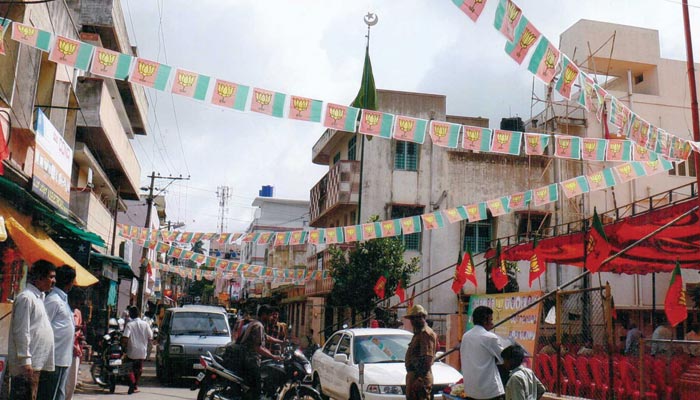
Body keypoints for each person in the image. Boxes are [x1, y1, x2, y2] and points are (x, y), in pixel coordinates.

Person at [8, 260, 57, 400]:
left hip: (37, 365)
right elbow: (22, 332)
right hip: (27, 367)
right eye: (51, 277)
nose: (54, 281)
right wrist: (26, 361)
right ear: (39, 278)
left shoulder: (39, 298)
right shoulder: (26, 298)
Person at [38, 266, 76, 400]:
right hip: (54, 357)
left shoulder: (63, 300)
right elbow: (42, 326)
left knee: (59, 394)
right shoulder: (53, 300)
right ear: (69, 282)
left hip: (63, 357)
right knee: (50, 394)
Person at [235, 305, 284, 400]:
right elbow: (258, 348)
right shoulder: (258, 326)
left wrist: (281, 342)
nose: (271, 318)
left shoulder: (256, 323)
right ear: (264, 315)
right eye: (270, 315)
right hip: (250, 360)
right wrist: (273, 356)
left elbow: (266, 337)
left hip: (247, 359)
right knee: (257, 389)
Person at [460, 306, 505, 400]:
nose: (492, 323)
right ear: (485, 321)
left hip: (471, 390)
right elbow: (503, 358)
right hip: (490, 391)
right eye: (491, 320)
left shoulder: (466, 336)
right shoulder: (490, 337)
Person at [404, 304, 438, 400]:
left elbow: (427, 359)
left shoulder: (425, 334)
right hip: (414, 376)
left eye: (416, 318)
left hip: (419, 378)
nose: (413, 321)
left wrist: (419, 379)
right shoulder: (418, 333)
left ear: (423, 317)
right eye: (412, 318)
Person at [121, 306, 153, 394]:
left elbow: (125, 338)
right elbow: (151, 336)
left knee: (127, 368)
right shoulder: (145, 324)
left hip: (131, 351)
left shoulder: (129, 325)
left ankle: (132, 383)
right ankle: (135, 385)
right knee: (138, 369)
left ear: (130, 314)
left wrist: (123, 348)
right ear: (139, 314)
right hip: (142, 351)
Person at [66, 288, 86, 400]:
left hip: (75, 350)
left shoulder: (78, 313)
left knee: (72, 381)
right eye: (76, 302)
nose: (77, 305)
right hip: (64, 349)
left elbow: (79, 330)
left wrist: (80, 336)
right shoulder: (63, 309)